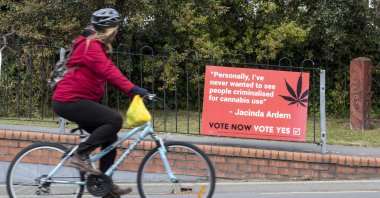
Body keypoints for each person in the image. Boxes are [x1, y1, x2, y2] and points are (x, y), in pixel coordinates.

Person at [51, 8, 147, 197]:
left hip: (77, 100)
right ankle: (81, 154)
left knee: (109, 138)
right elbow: (109, 72)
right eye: (116, 28)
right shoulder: (91, 46)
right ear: (110, 29)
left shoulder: (95, 45)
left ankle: (106, 186)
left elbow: (104, 71)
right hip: (68, 100)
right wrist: (134, 90)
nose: (117, 32)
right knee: (114, 120)